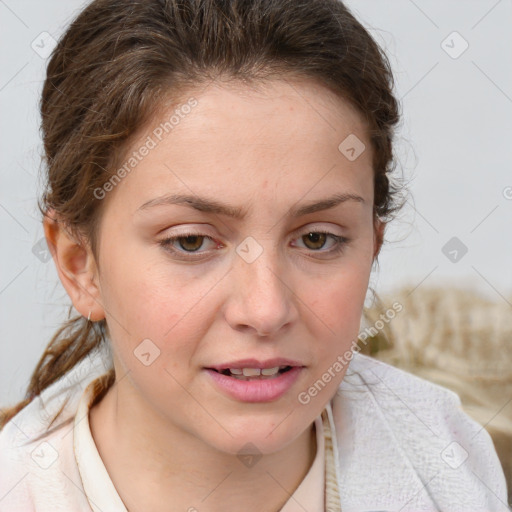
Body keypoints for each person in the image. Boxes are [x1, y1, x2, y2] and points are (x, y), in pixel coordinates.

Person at [0, 0, 508, 510]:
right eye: (191, 242)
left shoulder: (451, 463)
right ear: (79, 265)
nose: (266, 310)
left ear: (372, 245)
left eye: (317, 239)